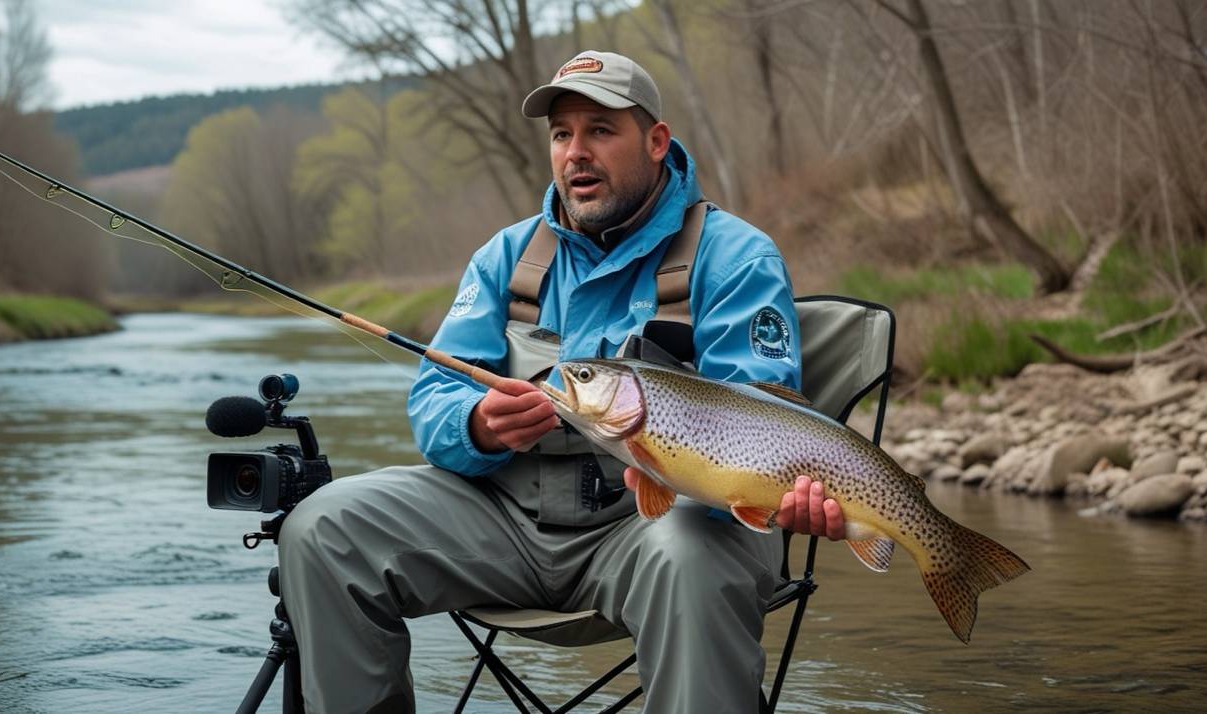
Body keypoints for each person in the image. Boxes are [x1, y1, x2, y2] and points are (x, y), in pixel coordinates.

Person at [278, 50, 845, 714]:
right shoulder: (504, 259)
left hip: (657, 532)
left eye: (600, 131)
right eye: (561, 134)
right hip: (501, 522)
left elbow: (758, 419)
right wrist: (478, 424)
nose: (576, 152)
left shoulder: (735, 257)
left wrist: (786, 496)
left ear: (656, 142)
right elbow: (433, 400)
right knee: (322, 528)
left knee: (691, 557)